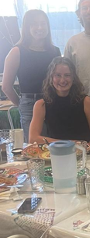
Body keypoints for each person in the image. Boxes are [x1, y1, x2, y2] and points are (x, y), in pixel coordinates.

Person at [2, 9, 60, 142]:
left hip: (53, 103)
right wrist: (22, 105)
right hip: (29, 105)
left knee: (56, 147)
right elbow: (6, 86)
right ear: (27, 27)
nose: (39, 27)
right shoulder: (17, 51)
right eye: (34, 24)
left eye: (43, 23)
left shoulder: (55, 51)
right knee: (35, 149)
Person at [29, 57, 90, 152]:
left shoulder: (86, 101)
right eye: (58, 75)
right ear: (51, 78)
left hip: (84, 154)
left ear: (73, 78)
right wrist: (69, 145)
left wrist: (85, 150)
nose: (62, 80)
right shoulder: (41, 104)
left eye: (67, 75)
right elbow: (33, 139)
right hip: (56, 153)